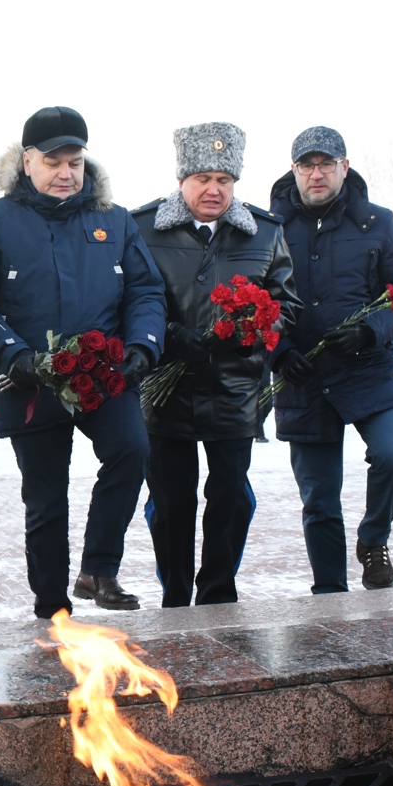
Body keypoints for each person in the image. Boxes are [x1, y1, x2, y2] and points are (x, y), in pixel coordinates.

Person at [0, 106, 166, 616]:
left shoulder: (113, 220)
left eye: (75, 161)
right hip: (30, 381)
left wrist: (142, 345)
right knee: (46, 498)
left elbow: (145, 290)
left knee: (132, 450)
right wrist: (13, 356)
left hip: (104, 373)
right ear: (27, 162)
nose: (67, 173)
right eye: (54, 162)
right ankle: (51, 603)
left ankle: (98, 569)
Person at [133, 123, 298, 607]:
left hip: (235, 389)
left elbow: (286, 304)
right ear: (182, 180)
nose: (214, 189)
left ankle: (218, 593)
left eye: (224, 179)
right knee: (171, 504)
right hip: (165, 394)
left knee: (229, 498)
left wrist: (252, 330)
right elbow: (129, 301)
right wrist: (170, 336)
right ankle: (176, 596)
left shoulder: (266, 233)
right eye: (203, 177)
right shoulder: (142, 229)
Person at [269, 126, 393, 592]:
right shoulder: (269, 228)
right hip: (305, 377)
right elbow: (251, 303)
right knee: (319, 500)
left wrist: (368, 331)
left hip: (369, 368)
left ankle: (374, 538)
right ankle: (330, 596)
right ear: (294, 170)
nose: (316, 174)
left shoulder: (377, 222)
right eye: (306, 165)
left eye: (325, 164)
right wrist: (279, 353)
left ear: (344, 166)